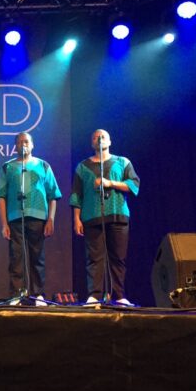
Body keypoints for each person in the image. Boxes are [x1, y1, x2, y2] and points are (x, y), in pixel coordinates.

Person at [70, 129, 140, 306]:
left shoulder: (122, 162)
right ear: (91, 143)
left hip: (117, 215)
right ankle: (94, 295)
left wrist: (110, 183)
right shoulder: (83, 166)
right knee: (94, 258)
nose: (99, 139)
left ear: (109, 141)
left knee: (117, 257)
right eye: (95, 137)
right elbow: (76, 195)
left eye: (102, 137)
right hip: (92, 216)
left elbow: (133, 185)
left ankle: (118, 294)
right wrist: (76, 218)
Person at [0, 132, 61, 306]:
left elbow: (53, 194)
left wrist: (51, 219)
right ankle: (17, 294)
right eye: (19, 142)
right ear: (15, 146)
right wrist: (4, 224)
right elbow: (1, 196)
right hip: (15, 218)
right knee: (16, 257)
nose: (23, 144)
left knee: (37, 257)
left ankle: (37, 294)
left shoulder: (43, 165)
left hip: (38, 217)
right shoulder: (7, 167)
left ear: (32, 145)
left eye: (26, 142)